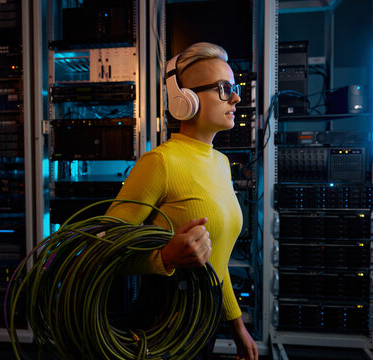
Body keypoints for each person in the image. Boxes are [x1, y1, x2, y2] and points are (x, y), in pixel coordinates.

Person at [106, 42, 258, 360]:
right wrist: (165, 257)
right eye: (224, 88)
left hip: (205, 319)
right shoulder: (160, 162)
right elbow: (102, 249)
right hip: (164, 319)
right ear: (184, 99)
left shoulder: (221, 163)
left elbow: (217, 262)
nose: (236, 97)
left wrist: (237, 325)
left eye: (235, 87)